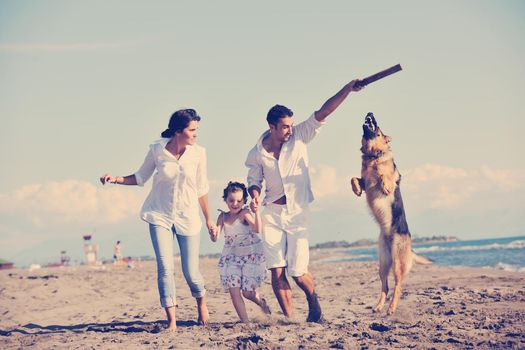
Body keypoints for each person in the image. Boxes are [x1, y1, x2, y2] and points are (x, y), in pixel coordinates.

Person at [245, 79, 364, 322]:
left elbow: (325, 110)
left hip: (297, 212)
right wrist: (255, 195)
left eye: (290, 125)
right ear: (271, 126)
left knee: (298, 272)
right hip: (271, 213)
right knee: (276, 270)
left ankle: (313, 300)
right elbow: (254, 180)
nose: (290, 130)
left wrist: (348, 89)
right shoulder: (256, 152)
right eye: (285, 127)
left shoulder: (300, 135)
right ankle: (289, 319)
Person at [100, 108, 216, 332]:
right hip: (159, 214)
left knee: (190, 271)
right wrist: (116, 179)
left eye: (196, 130)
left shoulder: (199, 153)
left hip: (188, 216)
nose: (196, 134)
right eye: (192, 130)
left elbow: (202, 189)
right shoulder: (157, 150)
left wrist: (209, 219)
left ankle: (201, 301)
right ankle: (171, 321)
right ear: (178, 131)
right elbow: (140, 177)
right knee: (164, 267)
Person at [209, 182, 271, 323]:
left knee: (248, 293)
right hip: (231, 258)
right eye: (231, 200)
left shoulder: (244, 213)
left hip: (250, 257)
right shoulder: (223, 217)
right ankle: (246, 322)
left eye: (239, 200)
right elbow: (215, 238)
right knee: (234, 291)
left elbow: (257, 229)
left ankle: (261, 302)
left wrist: (256, 213)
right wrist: (212, 232)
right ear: (225, 200)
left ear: (244, 201)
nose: (235, 203)